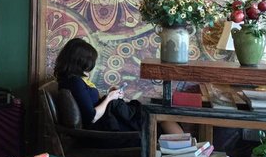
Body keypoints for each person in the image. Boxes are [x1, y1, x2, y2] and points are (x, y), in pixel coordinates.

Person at [54, 37, 183, 135]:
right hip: (105, 128)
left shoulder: (72, 80)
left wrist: (110, 95)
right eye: (90, 61)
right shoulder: (75, 82)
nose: (90, 66)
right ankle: (187, 155)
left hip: (110, 120)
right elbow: (92, 117)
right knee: (162, 118)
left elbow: (90, 102)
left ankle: (185, 154)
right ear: (80, 61)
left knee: (161, 118)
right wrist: (110, 98)